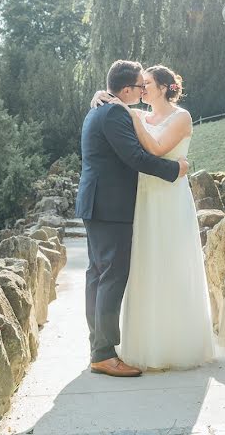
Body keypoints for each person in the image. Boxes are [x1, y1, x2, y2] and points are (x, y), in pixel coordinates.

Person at [91, 65, 215, 371]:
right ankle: (145, 343)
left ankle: (175, 343)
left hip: (170, 198)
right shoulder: (139, 116)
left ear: (163, 87)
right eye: (140, 84)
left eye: (147, 83)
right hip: (144, 200)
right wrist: (105, 96)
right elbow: (123, 126)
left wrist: (126, 111)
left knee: (171, 263)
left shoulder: (181, 116)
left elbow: (157, 149)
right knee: (145, 268)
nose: (142, 88)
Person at [76, 60, 189, 378]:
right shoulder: (112, 112)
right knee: (111, 276)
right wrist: (175, 170)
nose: (143, 90)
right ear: (126, 90)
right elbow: (136, 157)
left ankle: (99, 346)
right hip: (109, 206)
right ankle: (103, 354)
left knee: (98, 275)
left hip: (97, 204)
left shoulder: (100, 108)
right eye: (140, 86)